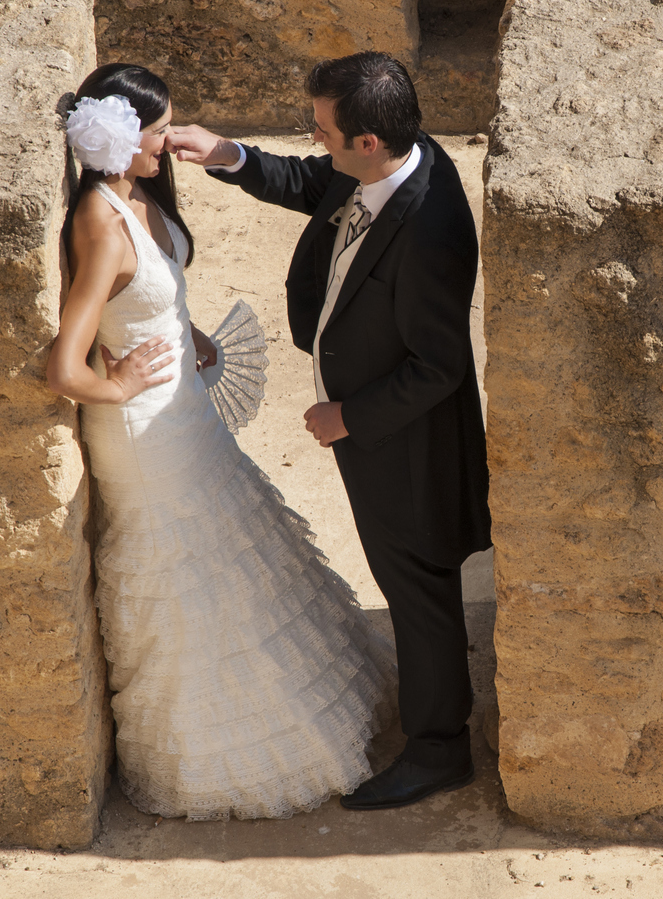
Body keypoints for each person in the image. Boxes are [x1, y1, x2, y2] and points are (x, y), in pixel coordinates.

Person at [45, 63, 395, 820]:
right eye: (160, 129)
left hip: (187, 413)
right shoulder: (100, 221)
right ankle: (209, 762)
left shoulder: (140, 196)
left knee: (232, 552)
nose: (170, 141)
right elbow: (63, 364)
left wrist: (187, 332)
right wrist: (120, 387)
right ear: (119, 137)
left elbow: (149, 287)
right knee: (184, 577)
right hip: (146, 438)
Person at [169, 51, 491, 810]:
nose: (315, 141)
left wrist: (350, 415)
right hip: (378, 432)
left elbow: (438, 366)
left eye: (322, 130)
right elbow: (313, 184)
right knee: (406, 582)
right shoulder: (389, 159)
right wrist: (227, 154)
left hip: (404, 445)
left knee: (418, 588)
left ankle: (440, 747)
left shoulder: (431, 229)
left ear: (369, 141)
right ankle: (435, 722)